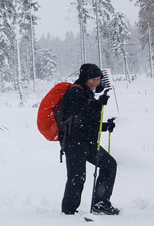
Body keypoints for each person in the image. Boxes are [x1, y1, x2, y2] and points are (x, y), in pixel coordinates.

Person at [58, 63, 119, 215]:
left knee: (109, 165)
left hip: (88, 142)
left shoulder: (87, 92)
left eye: (98, 79)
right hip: (74, 143)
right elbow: (81, 119)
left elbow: (89, 121)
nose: (96, 83)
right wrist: (99, 104)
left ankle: (100, 203)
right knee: (77, 177)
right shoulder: (75, 93)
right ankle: (69, 211)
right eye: (92, 79)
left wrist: (105, 126)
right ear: (85, 77)